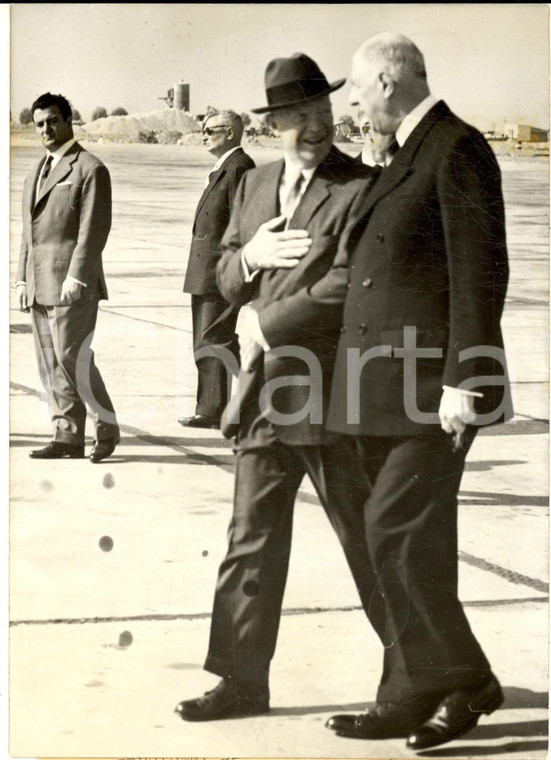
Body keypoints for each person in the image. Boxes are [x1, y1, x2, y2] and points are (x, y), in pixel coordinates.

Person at [251, 33, 513, 750]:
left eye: (359, 95)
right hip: (379, 391)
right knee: (404, 542)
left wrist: (467, 377)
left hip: (431, 389)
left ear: (389, 82)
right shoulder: (400, 153)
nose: (354, 109)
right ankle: (408, 691)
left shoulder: (454, 148)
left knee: (392, 532)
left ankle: (465, 678)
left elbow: (480, 271)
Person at [174, 53, 380, 722]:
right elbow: (223, 273)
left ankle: (418, 677)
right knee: (248, 540)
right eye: (297, 118)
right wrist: (249, 260)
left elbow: (348, 283)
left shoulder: (361, 188)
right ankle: (240, 682)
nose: (314, 128)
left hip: (331, 394)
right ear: (273, 125)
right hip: (263, 395)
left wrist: (268, 316)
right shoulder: (255, 186)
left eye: (321, 114)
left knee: (367, 541)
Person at [16, 92, 120, 463]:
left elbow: (94, 229)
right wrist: (22, 279)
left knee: (73, 357)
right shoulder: (35, 173)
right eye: (40, 123)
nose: (46, 129)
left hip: (71, 283)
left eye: (53, 121)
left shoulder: (89, 168)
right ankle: (67, 435)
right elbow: (28, 232)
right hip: (40, 282)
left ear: (68, 121)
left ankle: (106, 427)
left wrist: (78, 275)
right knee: (50, 361)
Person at [179, 111, 255, 429]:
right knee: (207, 340)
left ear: (231, 132)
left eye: (210, 130)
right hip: (205, 270)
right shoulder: (224, 166)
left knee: (214, 338)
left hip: (219, 271)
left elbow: (246, 221)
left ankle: (249, 391)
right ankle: (212, 408)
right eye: (203, 130)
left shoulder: (239, 166)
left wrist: (235, 269)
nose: (204, 135)